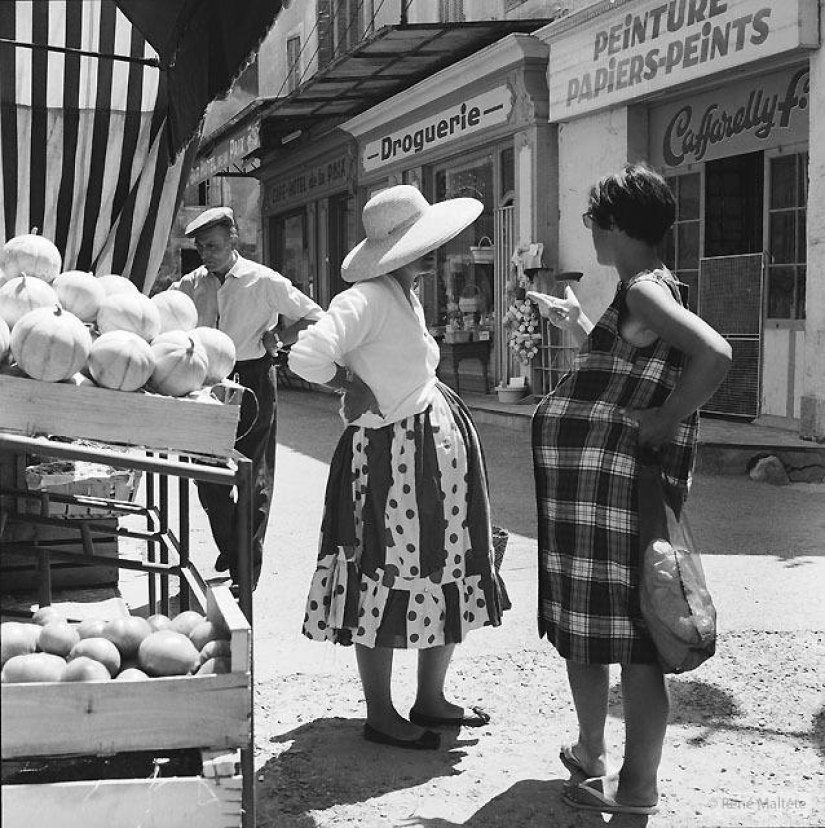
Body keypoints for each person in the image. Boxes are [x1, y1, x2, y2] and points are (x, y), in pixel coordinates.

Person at [530, 164, 731, 815]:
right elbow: (636, 363)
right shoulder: (640, 294)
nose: (590, 229)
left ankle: (633, 782)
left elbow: (715, 355)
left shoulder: (644, 291)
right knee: (591, 630)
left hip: (614, 497)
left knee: (632, 640)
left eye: (592, 219)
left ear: (615, 224)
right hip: (593, 499)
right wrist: (581, 328)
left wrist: (663, 419)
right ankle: (594, 758)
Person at [288, 185, 509, 750]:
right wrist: (350, 385)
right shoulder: (364, 299)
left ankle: (430, 698)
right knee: (384, 571)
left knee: (446, 564)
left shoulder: (401, 292)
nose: (433, 256)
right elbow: (307, 355)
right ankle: (381, 712)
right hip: (391, 461)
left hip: (429, 454)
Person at [170, 206, 323, 588]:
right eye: (202, 248)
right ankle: (233, 545)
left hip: (253, 378)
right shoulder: (191, 284)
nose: (208, 255)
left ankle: (245, 569)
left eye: (215, 246)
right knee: (207, 474)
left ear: (234, 239)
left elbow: (314, 315)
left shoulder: (264, 280)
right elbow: (162, 314)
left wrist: (280, 339)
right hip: (204, 381)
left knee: (252, 475)